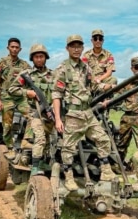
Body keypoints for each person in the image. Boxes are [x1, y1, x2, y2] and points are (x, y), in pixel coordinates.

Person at [52, 34, 116, 191]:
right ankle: (68, 177)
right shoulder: (62, 69)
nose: (76, 49)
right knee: (68, 148)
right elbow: (56, 95)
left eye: (79, 46)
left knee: (103, 140)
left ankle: (106, 172)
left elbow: (94, 86)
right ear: (67, 48)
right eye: (72, 46)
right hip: (73, 115)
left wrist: (106, 88)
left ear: (82, 48)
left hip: (88, 113)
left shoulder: (86, 68)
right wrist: (58, 119)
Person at [8, 44, 55, 176]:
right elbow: (12, 89)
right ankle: (35, 166)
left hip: (50, 112)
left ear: (46, 58)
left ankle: (42, 162)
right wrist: (27, 92)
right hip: (35, 112)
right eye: (36, 57)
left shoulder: (53, 75)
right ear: (32, 59)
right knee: (39, 138)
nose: (39, 59)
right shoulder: (26, 75)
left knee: (48, 139)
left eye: (41, 56)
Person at [0, 37, 32, 160]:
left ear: (20, 49)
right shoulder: (1, 63)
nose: (14, 49)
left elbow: (32, 79)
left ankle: (26, 140)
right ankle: (10, 148)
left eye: (17, 47)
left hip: (20, 97)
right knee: (7, 126)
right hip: (6, 98)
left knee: (32, 116)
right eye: (12, 47)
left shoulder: (25, 65)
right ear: (8, 48)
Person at [82, 29, 117, 95]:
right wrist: (94, 80)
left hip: (103, 79)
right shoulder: (86, 55)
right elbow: (84, 71)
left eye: (100, 39)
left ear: (103, 41)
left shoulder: (108, 54)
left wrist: (99, 79)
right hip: (90, 80)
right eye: (95, 39)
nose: (98, 41)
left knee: (113, 80)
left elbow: (109, 72)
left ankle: (103, 93)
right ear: (92, 41)